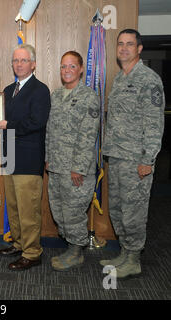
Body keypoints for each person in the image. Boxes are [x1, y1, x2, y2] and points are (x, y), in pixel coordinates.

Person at [100, 29, 165, 279]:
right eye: (120, 44)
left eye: (129, 44)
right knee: (117, 210)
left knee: (134, 212)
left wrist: (147, 160)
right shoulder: (119, 79)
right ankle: (125, 253)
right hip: (116, 158)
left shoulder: (148, 79)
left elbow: (154, 123)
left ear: (139, 49)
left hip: (136, 161)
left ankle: (134, 259)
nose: (124, 48)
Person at [0, 44, 51, 271]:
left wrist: (10, 125)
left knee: (29, 210)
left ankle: (32, 252)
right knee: (15, 207)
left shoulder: (40, 90)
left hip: (28, 160)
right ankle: (18, 243)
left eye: (24, 60)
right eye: (15, 61)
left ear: (33, 64)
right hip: (9, 159)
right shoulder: (8, 90)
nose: (19, 64)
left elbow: (37, 122)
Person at [45, 51, 100, 271]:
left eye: (71, 66)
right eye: (63, 66)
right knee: (58, 210)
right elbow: (49, 130)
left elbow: (88, 136)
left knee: (74, 211)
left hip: (76, 170)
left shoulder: (89, 97)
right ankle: (71, 246)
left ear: (80, 69)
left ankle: (76, 252)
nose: (66, 70)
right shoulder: (55, 95)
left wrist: (78, 167)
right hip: (57, 167)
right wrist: (48, 158)